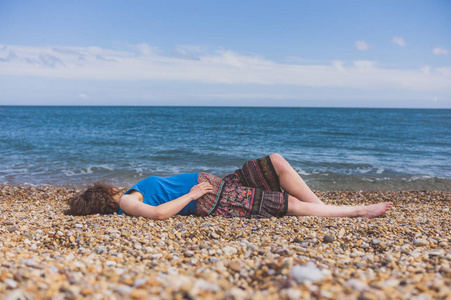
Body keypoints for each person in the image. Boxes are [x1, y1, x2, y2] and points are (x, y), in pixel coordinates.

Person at [64, 154, 393, 219]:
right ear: (103, 197)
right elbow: (157, 214)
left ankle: (325, 209)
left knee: (275, 163)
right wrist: (192, 195)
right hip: (210, 198)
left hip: (217, 184)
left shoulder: (130, 190)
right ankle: (356, 212)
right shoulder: (127, 202)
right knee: (285, 204)